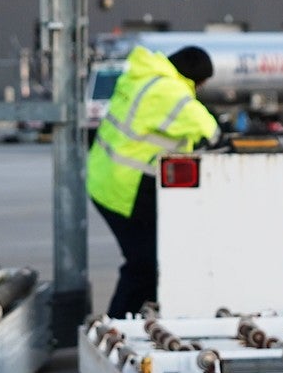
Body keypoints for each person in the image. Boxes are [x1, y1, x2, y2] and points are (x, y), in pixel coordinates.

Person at [86, 44, 219, 317]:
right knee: (145, 263)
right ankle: (118, 324)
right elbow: (210, 130)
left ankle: (140, 318)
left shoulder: (145, 77)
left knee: (152, 258)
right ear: (196, 79)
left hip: (105, 179)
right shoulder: (170, 92)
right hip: (122, 189)